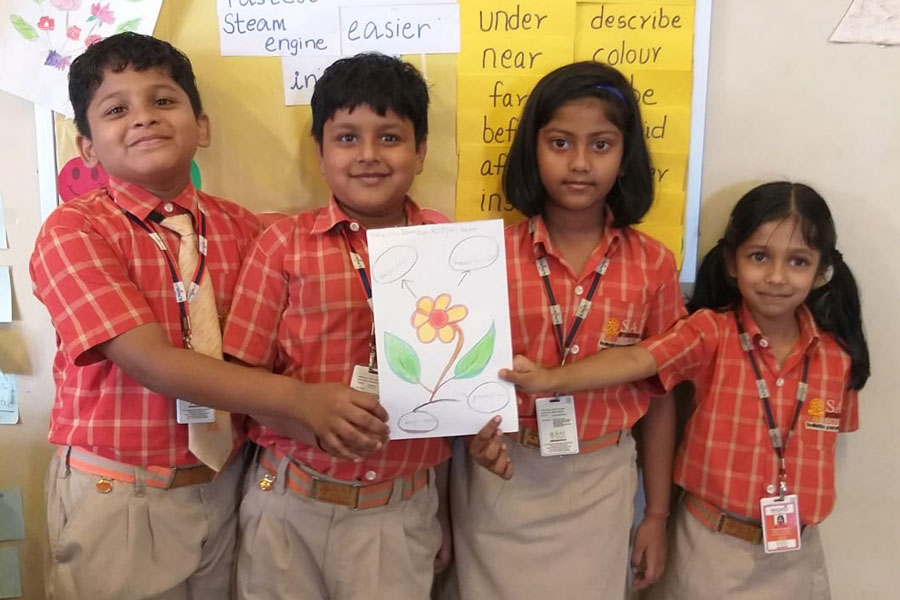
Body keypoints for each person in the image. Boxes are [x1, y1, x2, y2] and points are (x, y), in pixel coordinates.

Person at [29, 33, 387, 600]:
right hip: (120, 495)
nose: (143, 117)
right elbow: (150, 360)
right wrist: (300, 401)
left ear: (203, 126)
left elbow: (276, 343)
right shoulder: (75, 230)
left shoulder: (246, 230)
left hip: (228, 485)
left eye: (163, 100)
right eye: (117, 110)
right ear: (87, 147)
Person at [502, 181, 869, 599]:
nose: (776, 277)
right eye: (759, 257)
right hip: (708, 550)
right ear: (731, 261)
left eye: (798, 261)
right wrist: (551, 379)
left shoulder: (838, 359)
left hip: (796, 558)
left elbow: (826, 447)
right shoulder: (708, 333)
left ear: (822, 271)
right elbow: (637, 360)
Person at [222, 53, 452, 600]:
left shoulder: (448, 245)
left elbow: (456, 395)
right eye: (347, 138)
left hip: (399, 511)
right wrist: (305, 415)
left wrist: (445, 507)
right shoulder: (282, 246)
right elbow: (238, 377)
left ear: (421, 151)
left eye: (390, 137)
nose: (368, 155)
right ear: (320, 153)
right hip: (288, 503)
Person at [453, 61, 686, 599]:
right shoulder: (484, 256)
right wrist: (474, 438)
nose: (580, 164)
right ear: (532, 150)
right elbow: (457, 379)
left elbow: (661, 395)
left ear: (626, 155)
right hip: (502, 471)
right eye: (560, 143)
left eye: (601, 145)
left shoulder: (653, 264)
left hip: (599, 479)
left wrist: (656, 513)